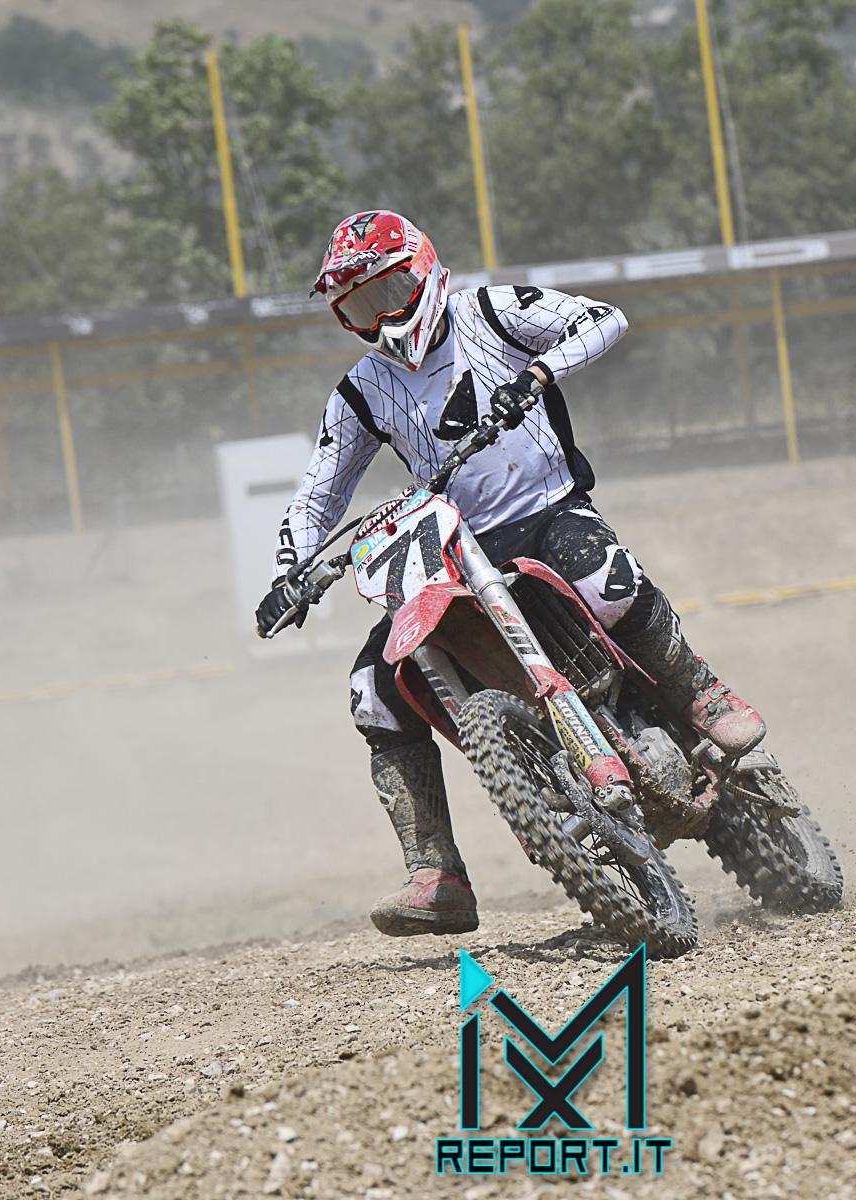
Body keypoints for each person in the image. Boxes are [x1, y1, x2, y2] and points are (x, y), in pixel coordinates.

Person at [257, 211, 765, 938]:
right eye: (361, 307)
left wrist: (539, 372)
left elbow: (604, 318)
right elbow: (318, 492)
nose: (383, 317)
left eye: (391, 292)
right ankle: (436, 872)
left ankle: (701, 692)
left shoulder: (493, 311)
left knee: (604, 578)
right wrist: (290, 569)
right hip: (453, 549)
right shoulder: (361, 391)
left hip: (548, 511)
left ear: (424, 271)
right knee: (372, 687)